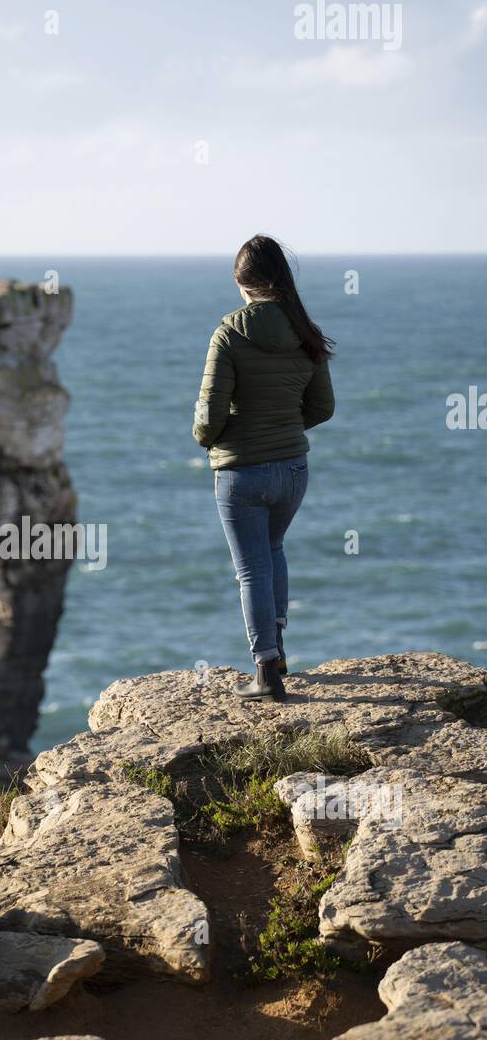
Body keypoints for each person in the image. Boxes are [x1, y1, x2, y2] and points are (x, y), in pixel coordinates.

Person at [193, 235, 335, 701]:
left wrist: (213, 438)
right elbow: (322, 407)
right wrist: (282, 427)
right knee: (273, 551)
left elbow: (208, 419)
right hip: (293, 469)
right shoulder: (305, 331)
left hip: (242, 473)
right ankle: (280, 652)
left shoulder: (230, 333)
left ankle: (267, 673)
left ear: (242, 283)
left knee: (250, 568)